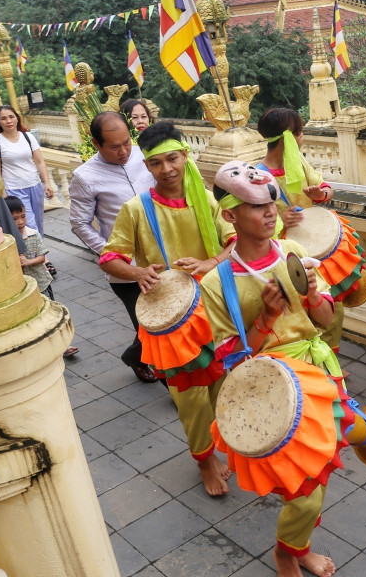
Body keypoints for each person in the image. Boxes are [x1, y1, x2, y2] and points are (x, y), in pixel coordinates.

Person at [200, 160, 347, 577]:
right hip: (271, 387)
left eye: (271, 202)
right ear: (230, 215)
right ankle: (287, 551)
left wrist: (315, 296)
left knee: (317, 474)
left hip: (318, 374)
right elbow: (230, 360)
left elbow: (324, 319)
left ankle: (296, 544)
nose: (269, 213)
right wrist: (264, 319)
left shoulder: (295, 253)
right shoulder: (217, 283)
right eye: (254, 206)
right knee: (302, 484)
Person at [100, 121, 235, 495]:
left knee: (219, 385)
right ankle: (205, 460)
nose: (167, 169)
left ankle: (218, 447)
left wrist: (211, 263)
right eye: (156, 163)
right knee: (188, 396)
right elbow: (111, 256)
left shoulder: (205, 199)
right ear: (147, 166)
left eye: (172, 159)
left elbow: (234, 242)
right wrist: (136, 271)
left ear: (185, 155)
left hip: (216, 308)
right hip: (172, 320)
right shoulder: (137, 209)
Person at [256, 107, 362, 353]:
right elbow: (253, 223)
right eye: (300, 132)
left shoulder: (300, 162)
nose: (303, 137)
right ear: (289, 138)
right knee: (302, 307)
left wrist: (321, 194)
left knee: (332, 306)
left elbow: (325, 187)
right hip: (286, 253)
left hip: (315, 243)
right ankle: (314, 360)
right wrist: (280, 219)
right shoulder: (259, 176)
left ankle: (329, 357)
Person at [68, 111, 157, 382]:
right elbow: (80, 224)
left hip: (161, 255)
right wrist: (112, 253)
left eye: (127, 142)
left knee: (166, 320)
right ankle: (174, 387)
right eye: (114, 146)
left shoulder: (147, 156)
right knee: (148, 326)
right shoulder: (85, 176)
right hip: (125, 271)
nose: (124, 151)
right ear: (96, 144)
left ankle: (134, 355)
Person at [5, 196, 78, 357]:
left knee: (51, 312)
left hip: (42, 283)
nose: (20, 222)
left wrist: (28, 262)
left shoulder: (33, 234)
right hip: (22, 288)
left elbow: (42, 258)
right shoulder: (6, 239)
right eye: (15, 219)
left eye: (23, 216)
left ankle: (64, 344)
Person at [0, 105, 55, 235]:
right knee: (28, 225)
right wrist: (3, 193)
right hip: (14, 189)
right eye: (3, 118)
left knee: (39, 223)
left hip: (35, 185)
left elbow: (40, 161)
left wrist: (46, 183)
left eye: (11, 117)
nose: (8, 121)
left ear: (17, 119)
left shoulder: (28, 137)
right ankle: (34, 254)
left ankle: (41, 254)